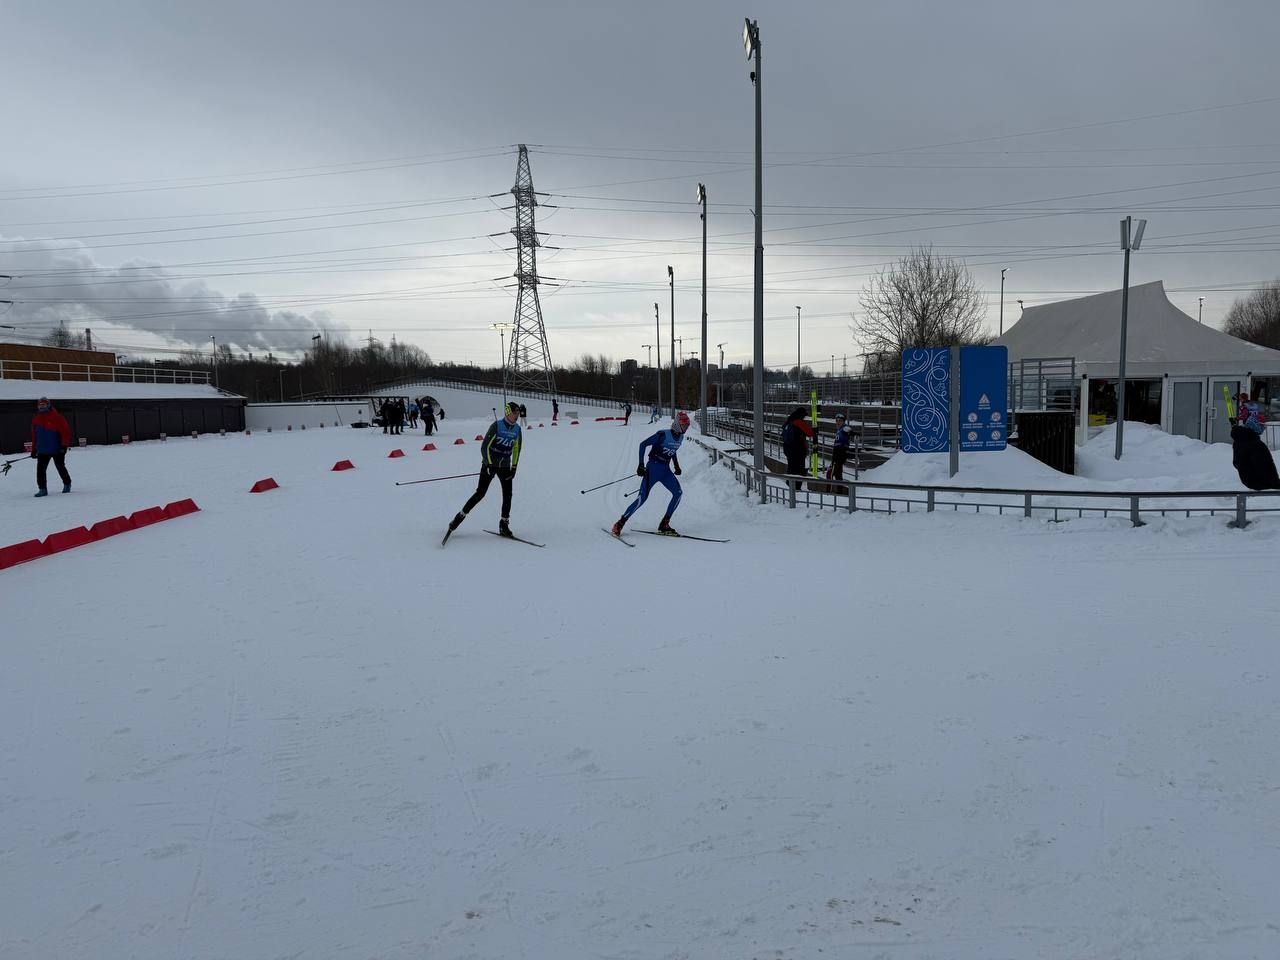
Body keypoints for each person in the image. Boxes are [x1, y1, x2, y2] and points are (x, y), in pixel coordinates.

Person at [448, 401, 523, 538]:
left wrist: (514, 467)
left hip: (505, 466)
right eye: (514, 413)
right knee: (480, 494)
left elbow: (517, 448)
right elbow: (485, 447)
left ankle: (504, 524)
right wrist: (488, 464)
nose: (517, 415)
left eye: (518, 413)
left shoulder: (517, 429)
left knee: (508, 494)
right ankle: (459, 518)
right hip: (490, 465)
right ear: (508, 412)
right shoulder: (497, 426)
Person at [611, 411, 688, 537]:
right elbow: (643, 444)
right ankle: (620, 523)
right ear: (677, 425)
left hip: (665, 471)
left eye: (687, 425)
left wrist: (676, 465)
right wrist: (641, 464)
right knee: (642, 498)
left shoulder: (680, 437)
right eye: (684, 425)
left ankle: (664, 524)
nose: (686, 428)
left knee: (678, 493)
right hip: (653, 469)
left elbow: (673, 450)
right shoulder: (663, 435)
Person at [31, 397, 72, 497]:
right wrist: (34, 449)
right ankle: (42, 489)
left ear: (48, 405)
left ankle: (67, 484)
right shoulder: (36, 419)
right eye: (40, 405)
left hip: (57, 449)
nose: (41, 407)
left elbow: (65, 432)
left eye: (43, 405)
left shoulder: (58, 418)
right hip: (42, 450)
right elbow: (34, 436)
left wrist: (64, 446)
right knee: (40, 470)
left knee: (60, 467)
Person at [781, 407, 815, 475]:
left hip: (787, 448)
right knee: (799, 471)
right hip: (798, 449)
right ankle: (797, 481)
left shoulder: (789, 421)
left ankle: (790, 481)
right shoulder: (798, 422)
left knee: (791, 469)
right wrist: (814, 430)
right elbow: (810, 433)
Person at [827, 413, 855, 481]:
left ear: (843, 422)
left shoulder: (844, 428)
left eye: (840, 421)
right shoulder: (839, 430)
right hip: (836, 454)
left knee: (830, 474)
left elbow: (848, 430)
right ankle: (839, 487)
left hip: (840, 454)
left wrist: (852, 433)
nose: (838, 422)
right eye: (837, 420)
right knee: (838, 474)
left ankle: (830, 488)